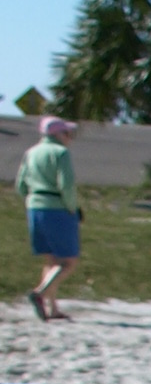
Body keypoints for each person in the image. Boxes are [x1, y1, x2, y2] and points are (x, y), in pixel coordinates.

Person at [19, 114, 79, 322]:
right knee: (68, 261)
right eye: (68, 133)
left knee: (51, 259)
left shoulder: (31, 152)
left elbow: (21, 184)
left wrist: (32, 198)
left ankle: (52, 308)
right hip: (57, 208)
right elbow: (66, 185)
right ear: (59, 134)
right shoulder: (61, 153)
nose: (69, 137)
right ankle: (40, 293)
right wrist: (72, 208)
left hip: (34, 206)